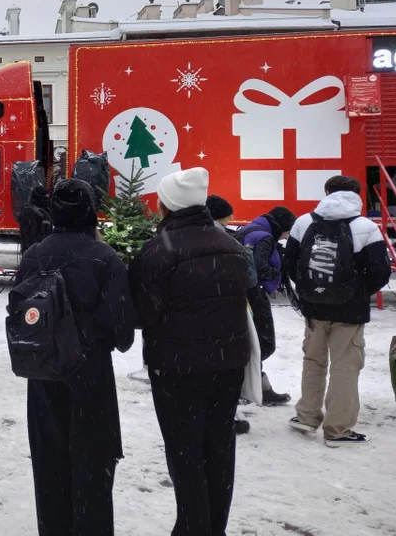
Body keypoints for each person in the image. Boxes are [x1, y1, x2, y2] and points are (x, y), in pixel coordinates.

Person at [130, 168, 250, 536]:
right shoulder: (231, 244)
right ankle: (214, 526)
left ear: (167, 205)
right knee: (218, 448)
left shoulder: (158, 251)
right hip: (227, 365)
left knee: (185, 453)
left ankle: (193, 527)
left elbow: (140, 314)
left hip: (176, 369)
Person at [16, 179, 136, 535]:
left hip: (43, 373)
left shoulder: (34, 254)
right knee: (93, 469)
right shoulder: (104, 258)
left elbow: (20, 315)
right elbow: (123, 334)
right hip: (91, 376)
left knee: (49, 467)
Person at [284, 175, 391, 447]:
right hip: (350, 312)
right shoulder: (365, 226)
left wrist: (313, 290)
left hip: (313, 309)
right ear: (356, 194)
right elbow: (380, 271)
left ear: (327, 192)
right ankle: (338, 429)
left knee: (313, 361)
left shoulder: (304, 222)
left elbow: (291, 265)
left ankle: (307, 416)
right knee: (345, 367)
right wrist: (355, 292)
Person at [236, 205, 297, 405]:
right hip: (255, 293)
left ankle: (261, 388)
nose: (286, 236)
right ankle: (244, 387)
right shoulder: (264, 237)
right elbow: (260, 266)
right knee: (263, 343)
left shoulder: (249, 229)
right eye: (287, 230)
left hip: (241, 293)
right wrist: (277, 276)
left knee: (251, 342)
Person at [208, 194, 257, 436]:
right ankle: (227, 416)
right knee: (223, 370)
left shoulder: (175, 239)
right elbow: (249, 279)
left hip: (194, 322)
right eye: (227, 215)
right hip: (226, 315)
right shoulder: (229, 242)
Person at [17, 184, 53, 253]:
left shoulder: (44, 210)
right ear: (39, 196)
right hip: (34, 253)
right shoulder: (28, 211)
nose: (47, 199)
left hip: (43, 251)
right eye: (45, 197)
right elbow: (30, 237)